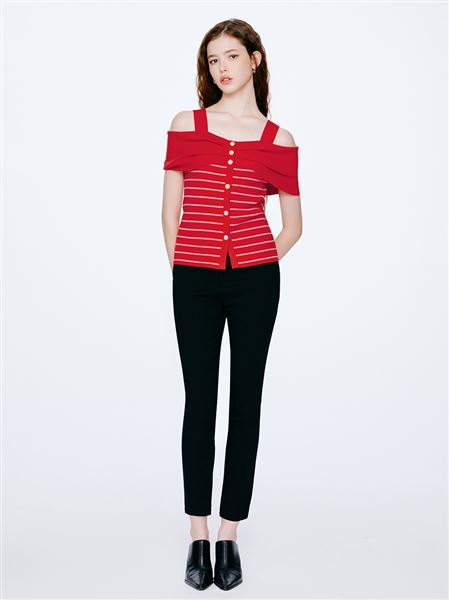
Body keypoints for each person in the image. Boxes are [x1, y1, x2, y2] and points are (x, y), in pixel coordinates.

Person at [161, 18, 302, 591]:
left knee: (246, 403)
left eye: (232, 56)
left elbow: (293, 225)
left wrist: (255, 261)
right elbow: (170, 212)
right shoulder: (187, 125)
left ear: (255, 59)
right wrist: (185, 266)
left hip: (255, 283)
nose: (222, 68)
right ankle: (198, 535)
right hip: (193, 279)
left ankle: (229, 536)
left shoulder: (278, 140)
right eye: (213, 59)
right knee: (200, 402)